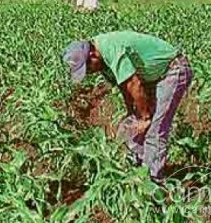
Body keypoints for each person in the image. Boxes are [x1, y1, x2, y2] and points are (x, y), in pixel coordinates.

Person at [63, 31, 193, 184]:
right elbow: (124, 87)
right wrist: (132, 112)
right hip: (151, 77)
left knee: (155, 130)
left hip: (172, 70)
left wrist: (145, 117)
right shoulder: (102, 61)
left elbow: (134, 84)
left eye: (88, 69)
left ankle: (153, 183)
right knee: (130, 124)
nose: (90, 73)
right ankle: (137, 168)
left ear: (93, 55)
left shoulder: (111, 49)